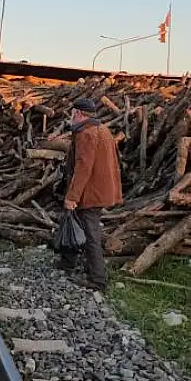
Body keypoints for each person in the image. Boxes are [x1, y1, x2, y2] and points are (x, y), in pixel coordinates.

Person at [60, 98, 123, 289]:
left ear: (79, 113)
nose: (71, 117)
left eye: (72, 113)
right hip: (100, 190)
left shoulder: (86, 134)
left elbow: (83, 168)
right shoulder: (102, 130)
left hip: (91, 193)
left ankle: (97, 279)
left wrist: (72, 197)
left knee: (90, 233)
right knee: (79, 225)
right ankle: (69, 262)